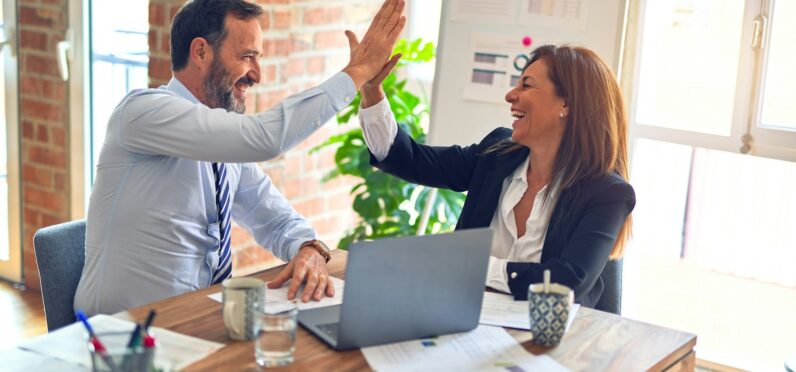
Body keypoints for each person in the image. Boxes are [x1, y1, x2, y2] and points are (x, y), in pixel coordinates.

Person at [75, 0, 406, 315]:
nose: (257, 75)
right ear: (201, 51)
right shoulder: (142, 112)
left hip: (195, 323)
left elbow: (275, 219)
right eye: (247, 56)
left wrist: (307, 247)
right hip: (122, 335)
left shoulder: (224, 146)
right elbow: (264, 138)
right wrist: (357, 72)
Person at [357, 44, 635, 307]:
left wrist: (472, 266)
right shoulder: (497, 154)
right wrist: (371, 90)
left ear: (567, 105)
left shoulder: (607, 193)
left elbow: (567, 282)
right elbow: (411, 160)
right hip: (465, 321)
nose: (510, 95)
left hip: (551, 342)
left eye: (526, 85)